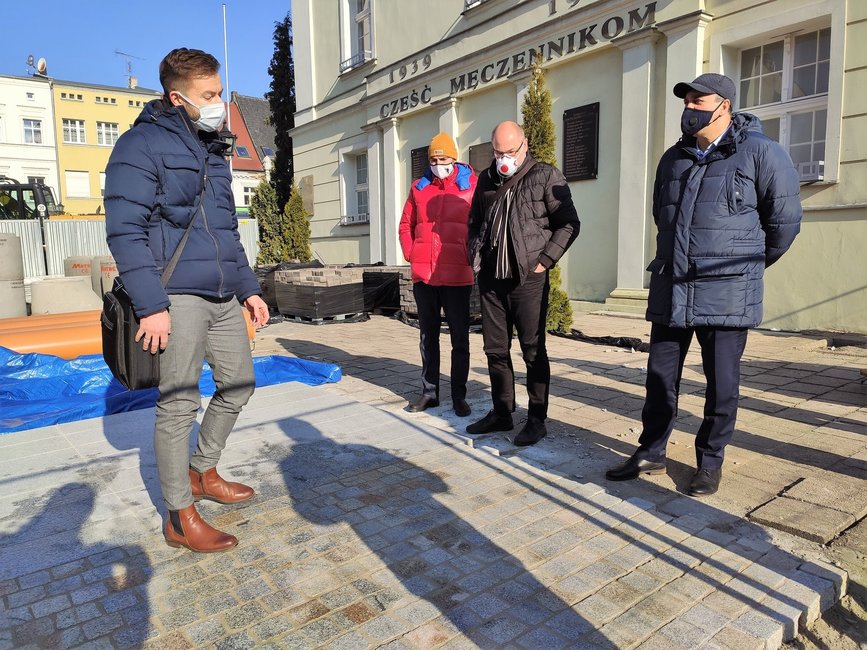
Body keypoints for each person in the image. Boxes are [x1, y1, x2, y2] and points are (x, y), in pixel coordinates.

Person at [606, 73, 802, 496]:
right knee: (659, 378)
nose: (690, 108)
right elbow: (664, 215)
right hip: (672, 285)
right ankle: (651, 451)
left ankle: (709, 462)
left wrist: (743, 267)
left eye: (700, 101)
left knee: (722, 384)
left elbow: (783, 225)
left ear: (725, 106)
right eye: (687, 101)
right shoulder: (673, 158)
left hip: (727, 291)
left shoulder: (762, 154)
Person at [105, 48, 269, 552]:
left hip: (222, 292)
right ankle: (179, 514)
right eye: (210, 95)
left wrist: (249, 288)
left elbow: (226, 231)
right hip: (175, 295)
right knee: (178, 405)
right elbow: (124, 231)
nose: (221, 102)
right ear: (177, 97)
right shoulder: (140, 145)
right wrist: (152, 304)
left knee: (239, 384)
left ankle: (202, 470)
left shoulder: (215, 149)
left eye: (219, 91)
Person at [466, 120, 580, 446]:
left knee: (532, 349)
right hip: (491, 280)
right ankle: (502, 413)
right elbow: (474, 222)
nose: (503, 158)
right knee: (495, 351)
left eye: (509, 151)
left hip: (527, 279)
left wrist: (544, 262)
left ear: (524, 145)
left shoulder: (545, 175)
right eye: (498, 151)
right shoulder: (486, 179)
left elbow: (569, 223)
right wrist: (475, 259)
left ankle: (536, 419)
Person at [399, 132, 477, 417]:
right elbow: (405, 224)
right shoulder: (419, 187)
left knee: (460, 339)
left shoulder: (471, 186)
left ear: (454, 158)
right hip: (425, 276)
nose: (437, 163)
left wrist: (471, 256)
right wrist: (412, 252)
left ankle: (459, 396)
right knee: (427, 337)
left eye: (442, 158)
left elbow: (480, 226)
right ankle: (429, 393)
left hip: (457, 276)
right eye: (433, 159)